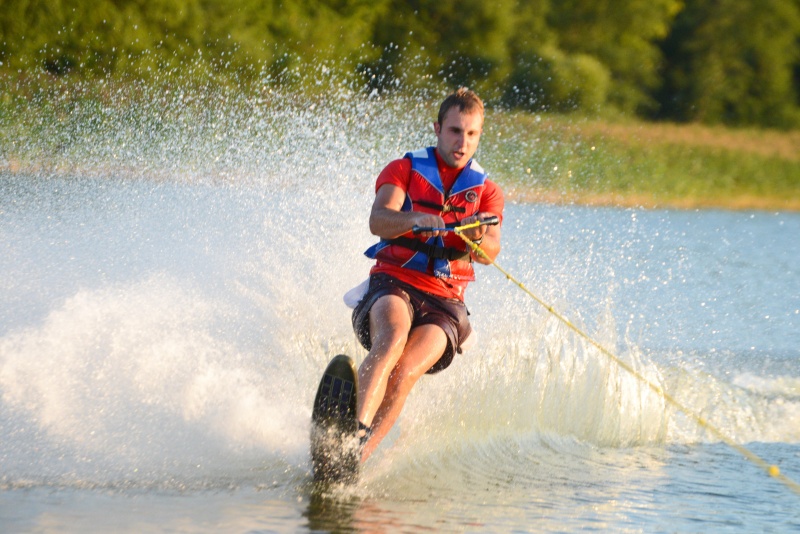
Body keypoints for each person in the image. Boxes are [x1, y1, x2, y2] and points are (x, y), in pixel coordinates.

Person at [350, 87, 504, 462]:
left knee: (404, 373)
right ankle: (350, 432)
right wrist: (414, 219)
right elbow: (378, 220)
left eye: (471, 134)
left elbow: (492, 252)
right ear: (437, 128)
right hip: (395, 281)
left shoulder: (487, 193)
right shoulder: (402, 170)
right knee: (392, 338)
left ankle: (358, 457)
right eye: (454, 131)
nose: (462, 142)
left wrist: (477, 237)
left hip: (445, 303)